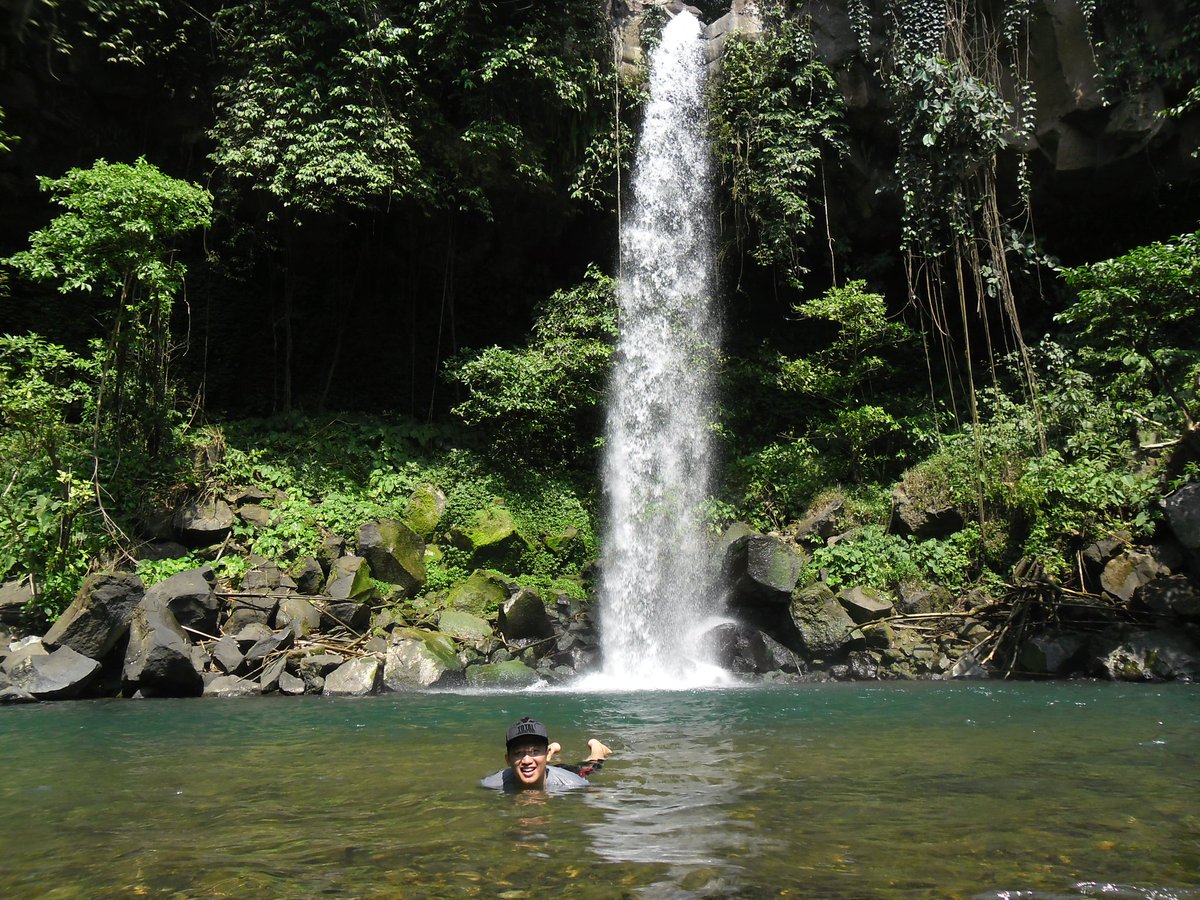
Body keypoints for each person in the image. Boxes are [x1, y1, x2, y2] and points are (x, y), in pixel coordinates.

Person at [480, 716, 612, 792]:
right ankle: (548, 749)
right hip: (542, 767)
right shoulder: (491, 784)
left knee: (593, 767)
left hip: (562, 772)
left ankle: (597, 747)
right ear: (508, 759)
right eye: (519, 753)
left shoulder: (573, 783)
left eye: (534, 751)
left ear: (547, 755)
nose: (526, 760)